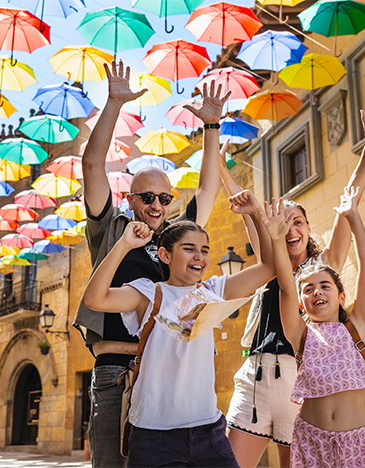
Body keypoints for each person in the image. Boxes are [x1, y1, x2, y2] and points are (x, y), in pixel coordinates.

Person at [73, 60, 230, 468]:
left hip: (171, 375)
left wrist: (211, 127)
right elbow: (92, 166)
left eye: (164, 198)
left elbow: (209, 189)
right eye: (147, 197)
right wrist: (114, 104)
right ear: (131, 199)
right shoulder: (111, 226)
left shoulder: (177, 239)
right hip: (116, 372)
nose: (156, 206)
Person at [222, 102, 365, 468]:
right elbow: (248, 213)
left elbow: (349, 201)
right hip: (257, 372)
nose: (291, 229)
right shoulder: (271, 264)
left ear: (308, 228)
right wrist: (222, 169)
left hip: (299, 379)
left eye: (298, 221)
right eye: (284, 223)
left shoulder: (324, 268)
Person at [80, 190, 289, 468]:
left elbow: (271, 267)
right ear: (165, 255)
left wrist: (253, 215)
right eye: (189, 248)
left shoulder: (212, 290)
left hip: (208, 429)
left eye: (204, 250)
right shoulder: (149, 293)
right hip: (155, 434)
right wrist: (124, 244)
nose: (199, 257)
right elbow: (94, 298)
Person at [274, 186, 365, 467]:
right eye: (308, 289)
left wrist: (353, 217)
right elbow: (286, 287)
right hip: (311, 441)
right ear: (300, 303)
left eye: (325, 286)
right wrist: (275, 240)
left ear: (341, 296)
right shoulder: (300, 335)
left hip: (358, 442)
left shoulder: (356, 327)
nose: (317, 292)